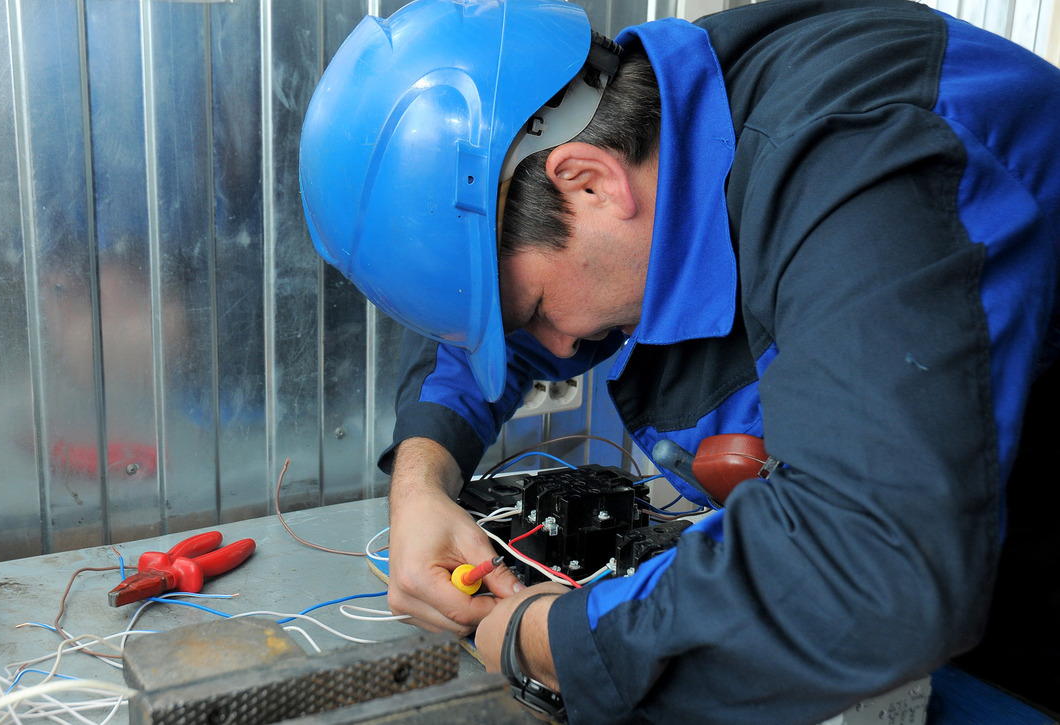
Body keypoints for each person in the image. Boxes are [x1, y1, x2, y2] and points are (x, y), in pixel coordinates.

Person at [299, 0, 1060, 722]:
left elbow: (873, 566)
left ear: (589, 180)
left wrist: (551, 641)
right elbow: (481, 297)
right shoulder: (659, 117)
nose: (557, 351)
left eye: (533, 315)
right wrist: (420, 483)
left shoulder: (862, 172)